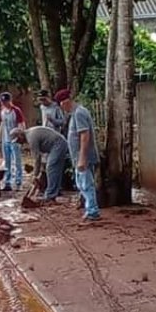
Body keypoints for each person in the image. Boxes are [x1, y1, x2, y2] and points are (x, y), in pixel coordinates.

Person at [56, 89, 101, 221]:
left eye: (61, 104)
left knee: (86, 184)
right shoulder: (75, 113)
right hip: (79, 157)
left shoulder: (79, 113)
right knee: (82, 184)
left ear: (65, 102)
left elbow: (84, 136)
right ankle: (90, 209)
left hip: (83, 157)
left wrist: (82, 158)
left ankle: (92, 211)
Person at [11, 124, 68, 202]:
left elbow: (37, 158)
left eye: (18, 140)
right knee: (54, 169)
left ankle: (50, 195)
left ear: (20, 135)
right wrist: (39, 171)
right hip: (54, 146)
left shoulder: (31, 138)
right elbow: (40, 157)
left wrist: (35, 175)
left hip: (58, 144)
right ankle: (55, 191)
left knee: (51, 167)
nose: (19, 143)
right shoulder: (30, 135)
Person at [0, 91, 25, 191]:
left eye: (5, 102)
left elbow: (21, 124)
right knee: (7, 162)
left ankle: (18, 181)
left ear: (10, 101)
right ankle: (7, 182)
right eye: (2, 102)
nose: (4, 104)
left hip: (15, 140)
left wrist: (20, 136)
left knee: (17, 161)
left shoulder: (16, 111)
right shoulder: (2, 112)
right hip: (6, 140)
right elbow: (2, 124)